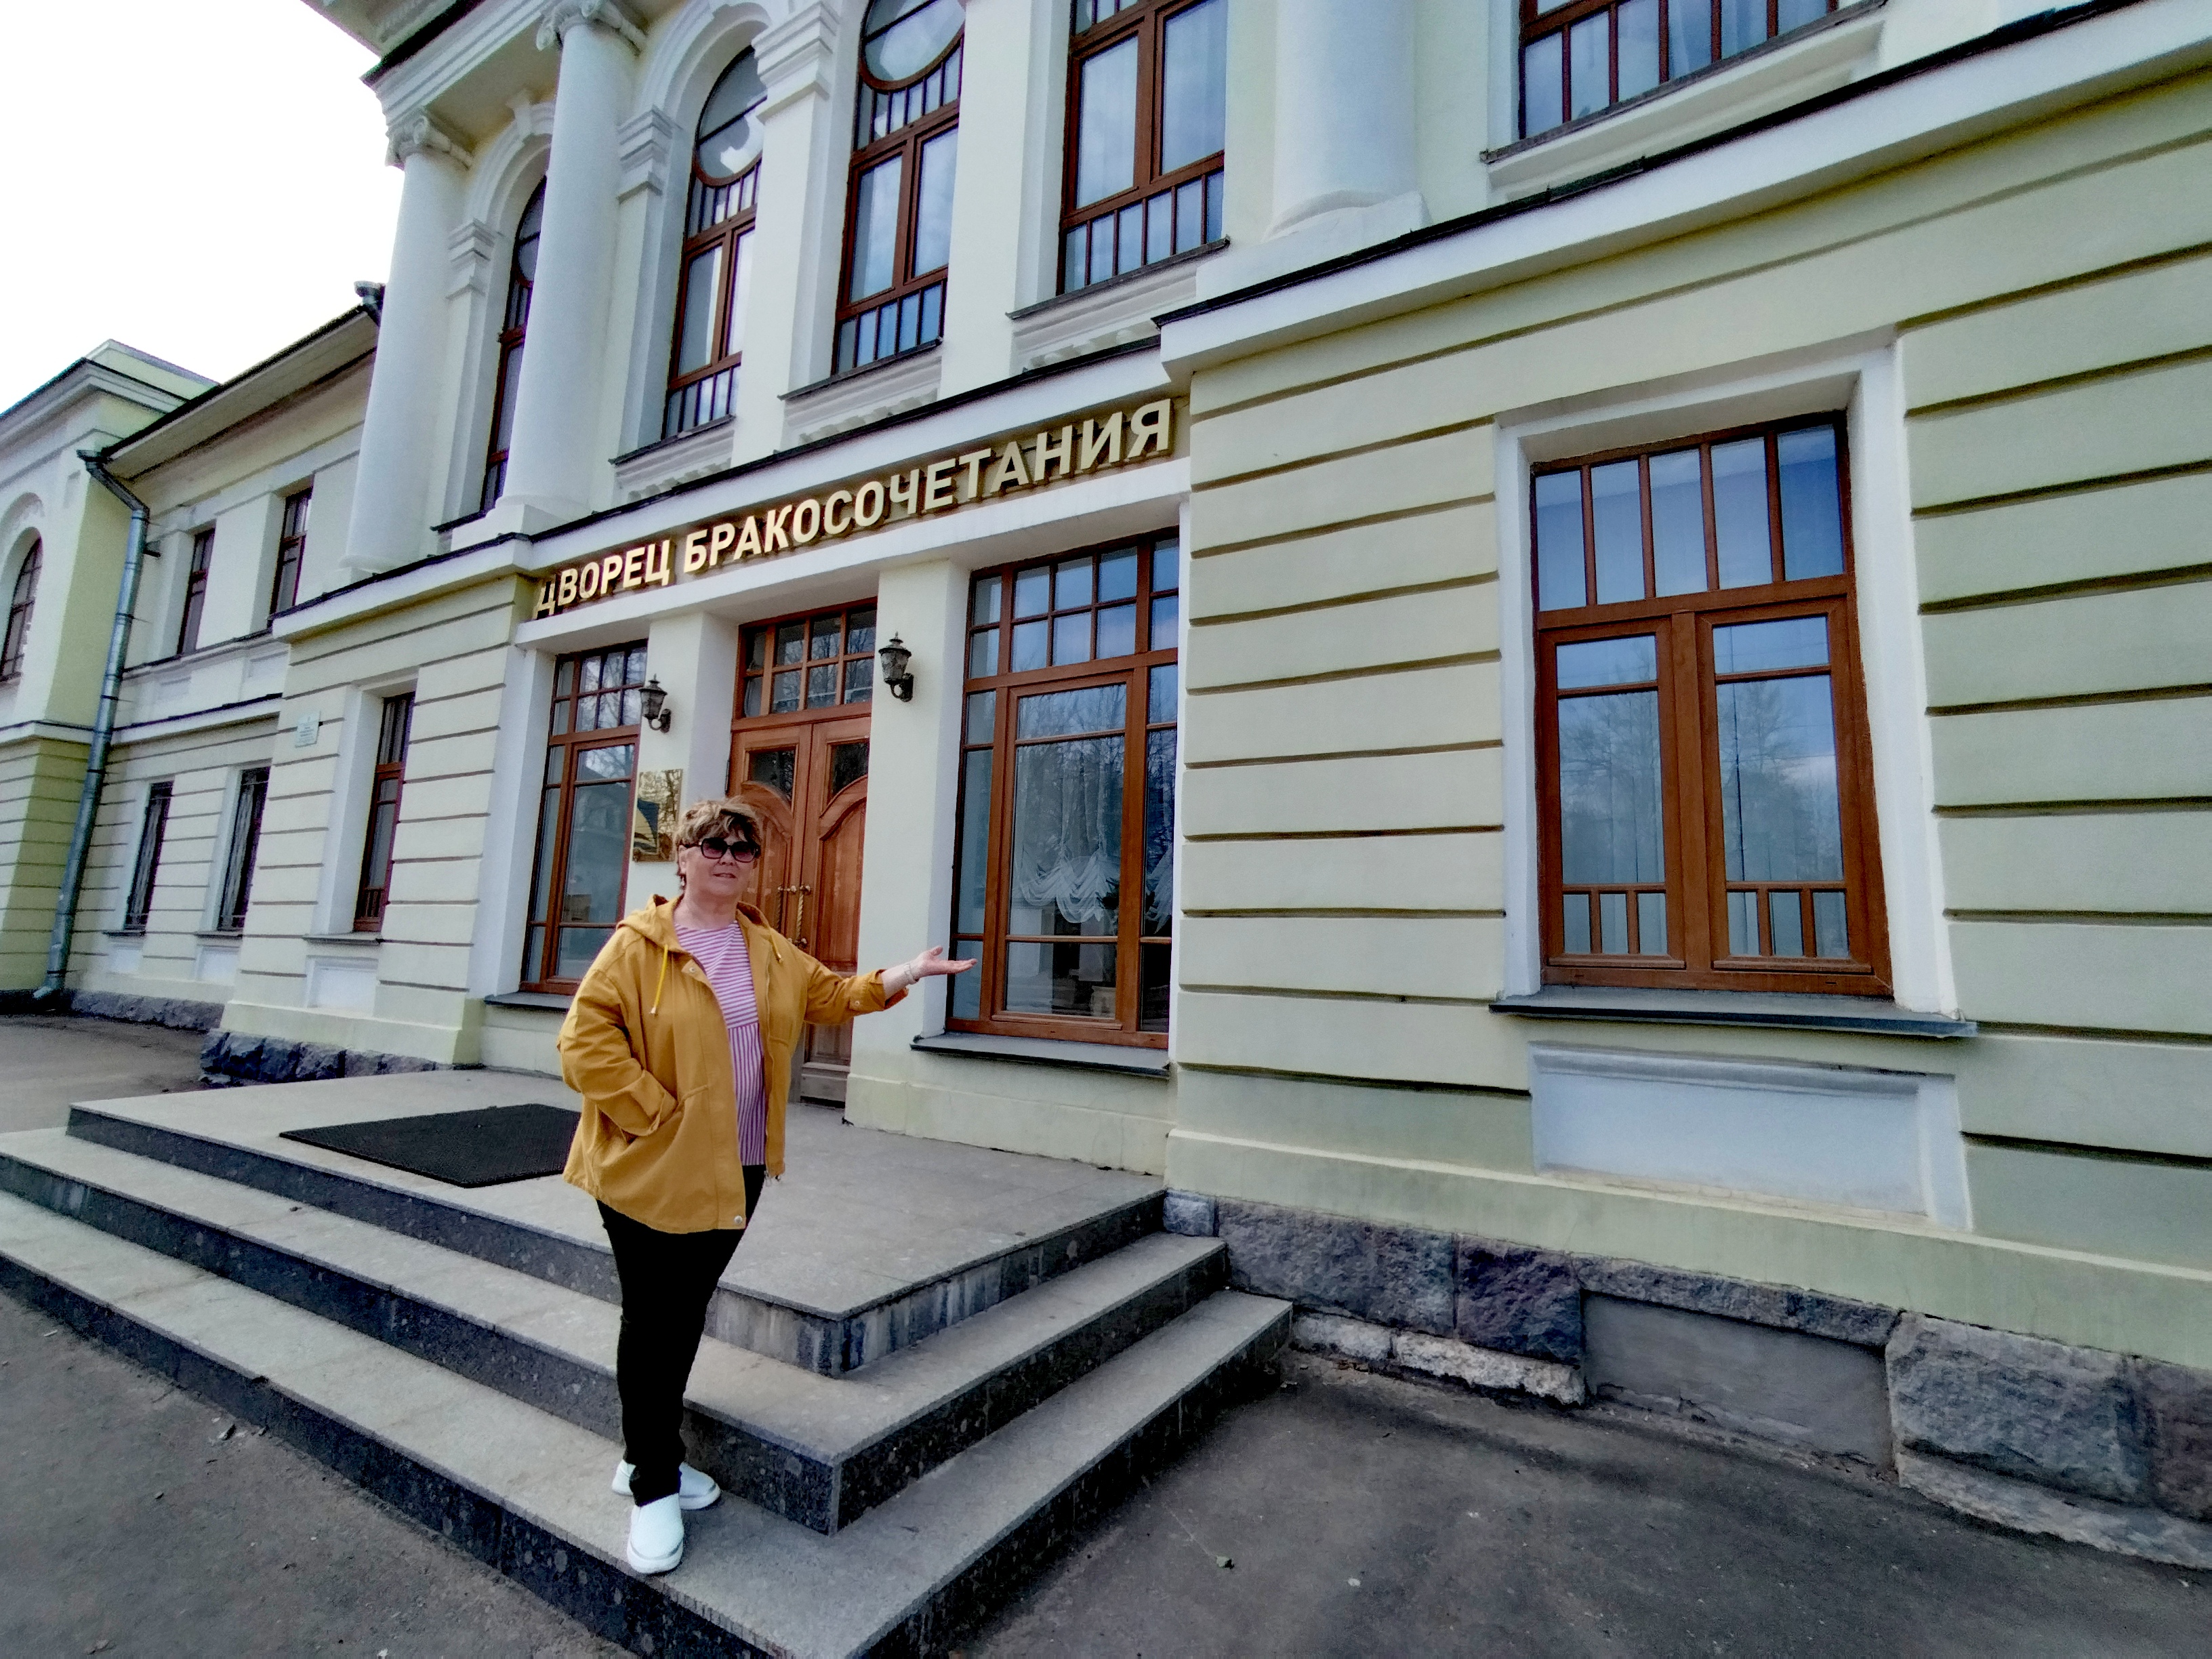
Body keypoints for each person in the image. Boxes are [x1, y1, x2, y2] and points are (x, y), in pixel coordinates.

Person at [557, 795, 972, 1574]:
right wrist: (657, 1115)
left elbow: (835, 996)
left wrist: (905, 974)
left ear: (754, 866)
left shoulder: (768, 950)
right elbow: (584, 1044)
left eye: (742, 848)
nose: (727, 857)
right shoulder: (637, 946)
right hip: (649, 1166)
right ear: (683, 857)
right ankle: (652, 1485)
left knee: (683, 1313)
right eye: (712, 844)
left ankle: (644, 1451)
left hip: (736, 1168)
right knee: (655, 1320)